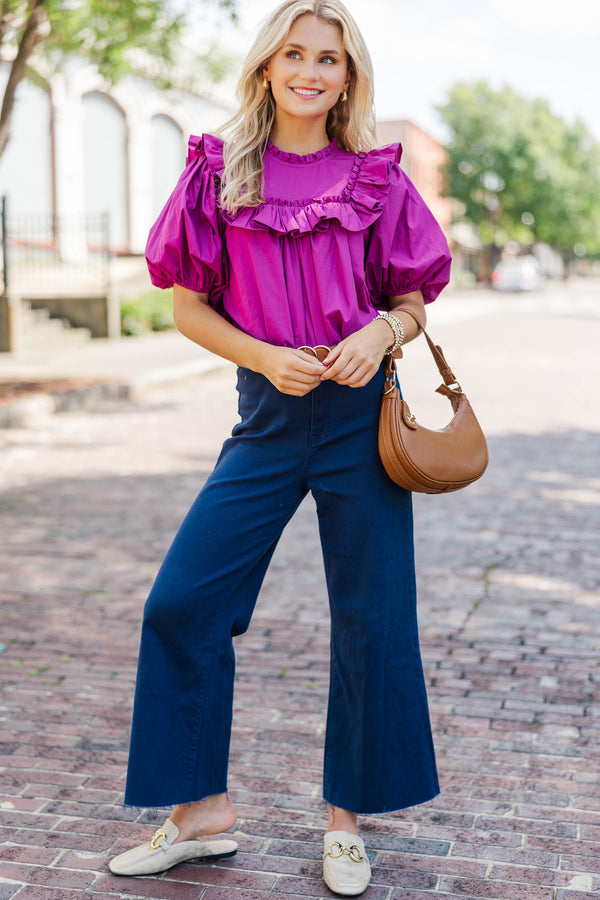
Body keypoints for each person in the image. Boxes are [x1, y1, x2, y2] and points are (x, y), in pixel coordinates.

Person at [109, 0, 451, 895]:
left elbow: (415, 297)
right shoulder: (217, 174)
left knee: (371, 622)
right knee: (181, 603)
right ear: (267, 67)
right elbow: (188, 305)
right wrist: (263, 356)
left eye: (328, 59)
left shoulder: (376, 177)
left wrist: (383, 334)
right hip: (265, 417)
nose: (309, 70)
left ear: (348, 77)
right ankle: (201, 814)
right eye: (293, 54)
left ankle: (345, 823)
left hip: (359, 421)